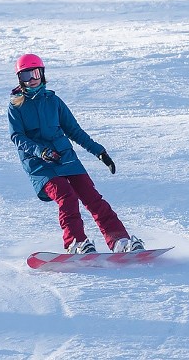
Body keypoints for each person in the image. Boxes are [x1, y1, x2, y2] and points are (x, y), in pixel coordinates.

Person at [8, 53, 144, 254]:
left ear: (42, 74)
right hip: (40, 164)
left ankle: (119, 241)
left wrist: (99, 152)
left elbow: (74, 131)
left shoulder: (53, 101)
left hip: (66, 158)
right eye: (26, 75)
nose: (32, 79)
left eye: (35, 73)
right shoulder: (16, 106)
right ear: (20, 79)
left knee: (92, 198)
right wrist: (40, 151)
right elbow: (17, 137)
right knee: (66, 196)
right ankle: (76, 243)